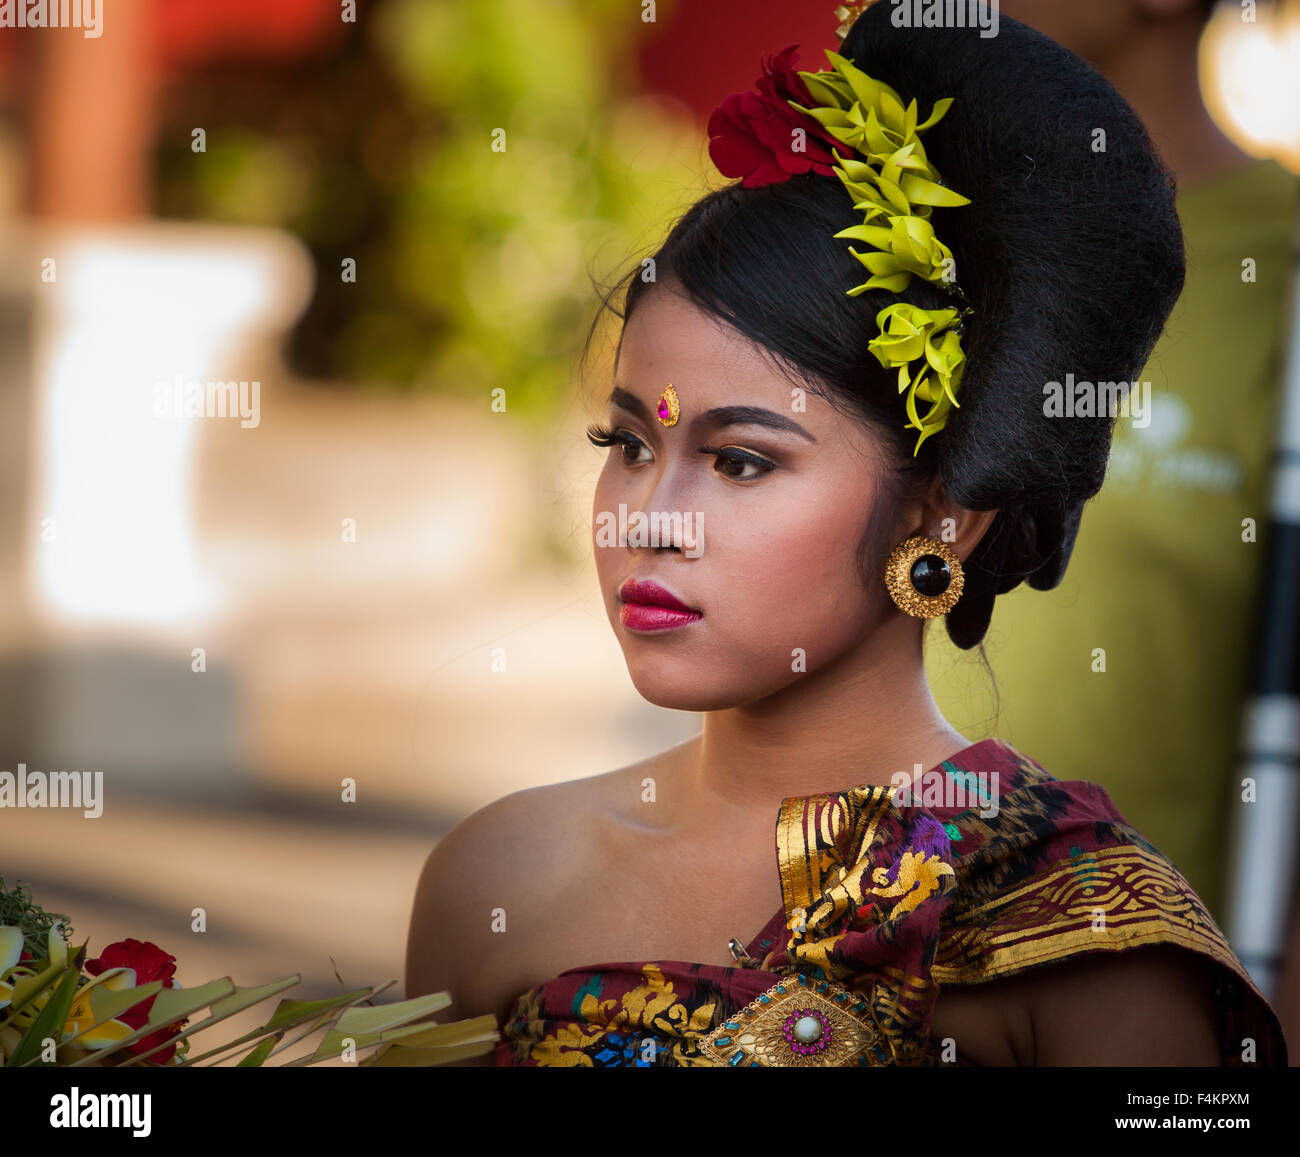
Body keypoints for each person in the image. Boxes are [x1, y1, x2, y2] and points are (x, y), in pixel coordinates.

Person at [405, 3, 1288, 1066]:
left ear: (940, 512)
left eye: (741, 461)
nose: (649, 518)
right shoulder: (499, 877)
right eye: (627, 441)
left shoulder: (1081, 935)